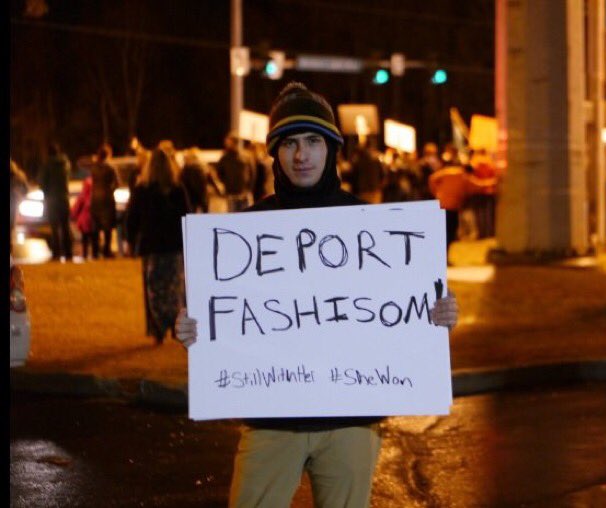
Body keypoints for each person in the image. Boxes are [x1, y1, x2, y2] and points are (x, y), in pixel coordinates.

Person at [174, 81, 459, 508]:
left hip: (351, 423)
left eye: (313, 141)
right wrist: (193, 331)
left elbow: (399, 314)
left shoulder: (373, 228)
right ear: (274, 153)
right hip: (271, 420)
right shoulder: (243, 234)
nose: (301, 155)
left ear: (331, 149)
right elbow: (228, 322)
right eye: (289, 143)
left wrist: (439, 316)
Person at [126, 146, 191, 344]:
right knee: (176, 288)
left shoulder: (142, 190)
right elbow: (188, 216)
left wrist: (131, 241)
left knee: (153, 289)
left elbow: (132, 219)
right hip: (175, 246)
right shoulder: (178, 189)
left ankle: (157, 329)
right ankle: (176, 325)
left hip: (152, 247)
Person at [39, 142, 73, 261]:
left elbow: (42, 183)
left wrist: (47, 192)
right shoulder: (66, 163)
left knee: (54, 228)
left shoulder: (47, 165)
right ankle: (69, 253)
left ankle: (56, 253)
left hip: (52, 200)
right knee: (66, 227)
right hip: (64, 198)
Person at [90, 143, 119, 258]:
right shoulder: (110, 168)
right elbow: (117, 183)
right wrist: (110, 190)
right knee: (108, 228)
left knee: (95, 228)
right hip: (107, 199)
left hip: (95, 199)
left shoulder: (94, 168)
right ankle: (107, 250)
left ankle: (95, 252)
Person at [215, 132, 256, 211]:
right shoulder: (225, 158)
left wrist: (249, 189)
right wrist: (227, 184)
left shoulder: (246, 156)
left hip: (245, 193)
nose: (227, 144)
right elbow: (219, 173)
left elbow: (253, 173)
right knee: (233, 217)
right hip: (231, 194)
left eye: (229, 142)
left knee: (246, 215)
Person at [70, 176, 99, 260]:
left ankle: (85, 254)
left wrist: (73, 215)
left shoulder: (83, 196)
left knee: (85, 239)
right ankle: (95, 254)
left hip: (84, 222)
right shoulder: (95, 196)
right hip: (94, 221)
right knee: (94, 239)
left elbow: (76, 207)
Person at [180, 147, 210, 213]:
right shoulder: (201, 168)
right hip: (200, 196)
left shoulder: (186, 169)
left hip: (191, 196)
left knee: (192, 214)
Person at [10, 158, 29, 254]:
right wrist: (20, 196)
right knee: (11, 227)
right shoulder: (19, 175)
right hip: (13, 203)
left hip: (13, 202)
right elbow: (26, 190)